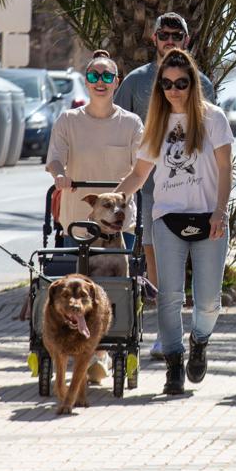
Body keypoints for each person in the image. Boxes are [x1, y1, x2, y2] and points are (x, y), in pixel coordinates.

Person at [115, 49, 233, 396]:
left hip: (209, 217)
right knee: (168, 296)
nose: (174, 90)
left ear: (193, 83)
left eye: (181, 83)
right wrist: (114, 200)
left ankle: (199, 340)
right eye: (167, 84)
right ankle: (173, 365)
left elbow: (225, 169)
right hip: (167, 218)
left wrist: (221, 211)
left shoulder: (214, 119)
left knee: (209, 301)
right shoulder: (157, 122)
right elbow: (139, 173)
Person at [112, 11, 216, 359]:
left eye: (176, 33)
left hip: (195, 197)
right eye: (163, 33)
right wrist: (121, 188)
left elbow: (215, 143)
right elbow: (121, 129)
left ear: (186, 40)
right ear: (153, 38)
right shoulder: (135, 83)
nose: (169, 39)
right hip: (149, 193)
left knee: (196, 280)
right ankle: (165, 336)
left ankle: (193, 334)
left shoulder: (202, 82)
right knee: (154, 263)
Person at [45, 49, 144, 384]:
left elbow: (141, 167)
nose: (100, 82)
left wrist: (122, 195)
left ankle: (100, 355)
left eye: (107, 76)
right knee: (78, 294)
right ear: (86, 81)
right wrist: (59, 176)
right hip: (79, 224)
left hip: (119, 224)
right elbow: (55, 159)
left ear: (117, 82)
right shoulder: (69, 121)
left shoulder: (131, 124)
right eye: (93, 76)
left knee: (116, 291)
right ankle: (85, 355)